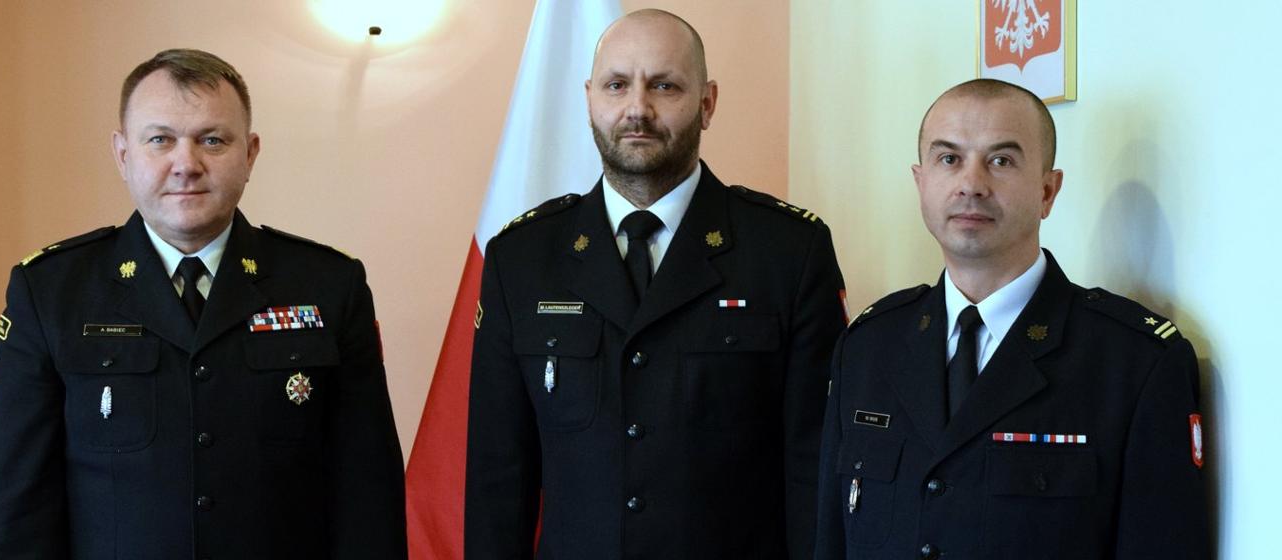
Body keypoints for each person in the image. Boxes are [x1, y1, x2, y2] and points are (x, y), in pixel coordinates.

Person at [0, 49, 407, 559]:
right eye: (160, 139)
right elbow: (16, 508)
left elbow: (368, 495)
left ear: (250, 154)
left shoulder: (328, 285)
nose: (186, 165)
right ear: (123, 154)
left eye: (212, 140)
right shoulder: (50, 291)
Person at [464, 9, 846, 559]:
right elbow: (497, 478)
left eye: (664, 86)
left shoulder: (789, 253)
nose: (637, 108)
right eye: (617, 85)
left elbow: (813, 468)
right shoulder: (521, 259)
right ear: (590, 98)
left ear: (707, 103)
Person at [814, 79, 1208, 559]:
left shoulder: (1133, 364)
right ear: (921, 183)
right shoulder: (867, 347)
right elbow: (831, 538)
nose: (971, 184)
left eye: (1001, 161)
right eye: (949, 159)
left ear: (1047, 190)